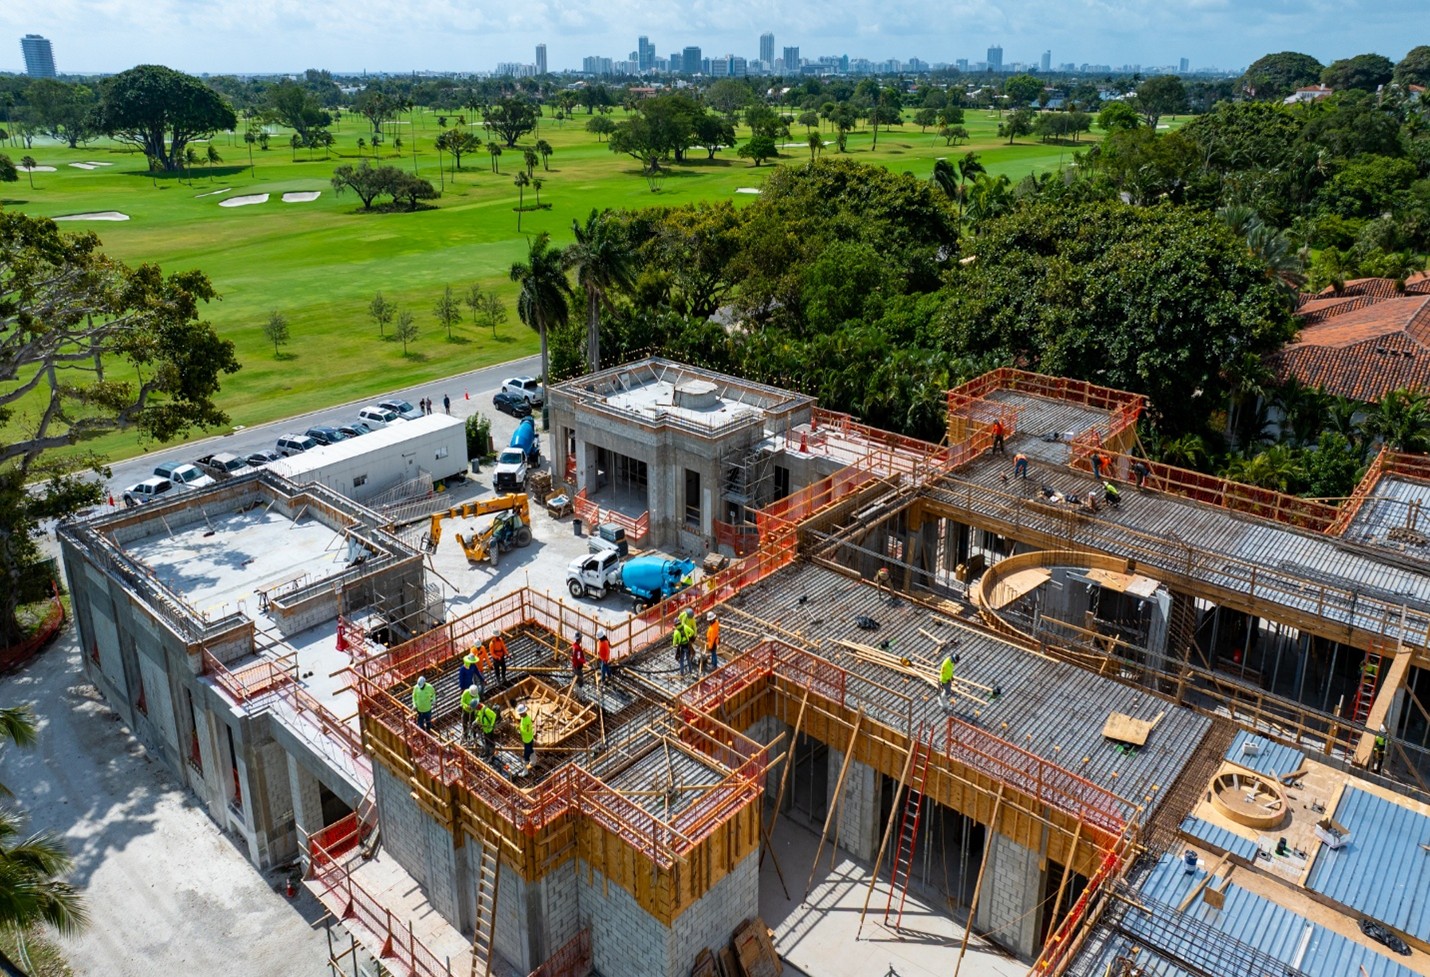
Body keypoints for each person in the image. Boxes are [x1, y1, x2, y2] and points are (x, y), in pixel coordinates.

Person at [673, 609, 694, 677]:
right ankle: (691, 672)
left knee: (681, 661)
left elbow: (674, 643)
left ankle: (682, 674)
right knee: (688, 660)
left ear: (675, 625)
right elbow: (692, 632)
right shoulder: (685, 626)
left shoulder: (676, 632)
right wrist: (689, 636)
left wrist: (675, 645)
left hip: (682, 647)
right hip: (687, 645)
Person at [518, 703, 535, 772]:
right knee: (530, 750)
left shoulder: (527, 720)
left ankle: (526, 771)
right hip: (526, 739)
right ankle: (533, 762)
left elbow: (527, 731)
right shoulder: (523, 718)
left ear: (523, 712)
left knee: (526, 756)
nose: (519, 714)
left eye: (520, 713)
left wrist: (520, 729)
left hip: (528, 740)